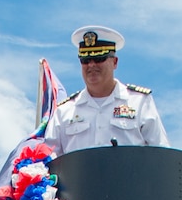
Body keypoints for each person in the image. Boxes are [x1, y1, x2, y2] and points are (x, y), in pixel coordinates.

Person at [44, 26, 169, 155]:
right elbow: (48, 161)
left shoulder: (140, 102)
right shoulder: (63, 112)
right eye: (85, 60)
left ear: (115, 62)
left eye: (99, 59)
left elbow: (163, 155)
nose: (91, 65)